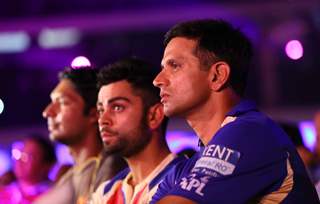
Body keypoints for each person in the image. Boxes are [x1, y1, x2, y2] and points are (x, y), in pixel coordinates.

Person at [152, 19, 319, 203]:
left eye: (174, 66)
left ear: (217, 76)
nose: (158, 80)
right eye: (162, 68)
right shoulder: (185, 169)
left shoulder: (251, 133)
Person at [90, 58, 185, 203]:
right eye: (101, 110)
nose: (103, 120)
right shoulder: (106, 192)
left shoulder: (185, 183)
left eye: (117, 107)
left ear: (154, 116)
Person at [35, 67, 126, 204]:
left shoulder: (112, 169)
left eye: (63, 103)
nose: (48, 112)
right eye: (52, 102)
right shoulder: (73, 174)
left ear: (94, 114)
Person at [0, 135, 56, 203]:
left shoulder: (51, 197)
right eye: (20, 154)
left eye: (29, 156)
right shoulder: (4, 192)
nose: (20, 160)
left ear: (46, 166)